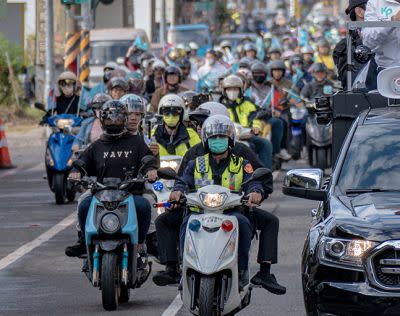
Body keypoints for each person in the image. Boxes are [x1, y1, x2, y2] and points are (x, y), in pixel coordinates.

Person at [168, 116, 265, 289]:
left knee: (242, 222)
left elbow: (253, 181)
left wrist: (255, 192)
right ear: (206, 140)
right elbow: (183, 181)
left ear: (230, 139)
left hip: (231, 212)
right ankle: (184, 268)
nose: (217, 141)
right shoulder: (195, 163)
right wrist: (177, 191)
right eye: (213, 138)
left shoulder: (242, 163)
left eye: (222, 137)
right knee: (186, 223)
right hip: (200, 211)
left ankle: (242, 271)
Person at [65, 100, 157, 258]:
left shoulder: (136, 142)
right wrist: (76, 171)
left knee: (144, 205)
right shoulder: (96, 145)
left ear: (124, 120)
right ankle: (83, 242)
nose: (113, 122)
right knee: (84, 205)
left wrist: (150, 170)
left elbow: (148, 159)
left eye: (118, 118)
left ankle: (142, 244)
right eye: (109, 119)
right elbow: (81, 162)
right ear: (102, 121)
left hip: (130, 193)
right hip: (101, 194)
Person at [221, 74, 279, 166]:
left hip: (247, 134)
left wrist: (256, 128)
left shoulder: (247, 102)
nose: (232, 92)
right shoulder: (220, 105)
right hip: (227, 138)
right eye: (229, 89)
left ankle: (264, 174)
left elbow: (256, 116)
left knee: (266, 144)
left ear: (240, 90)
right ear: (224, 91)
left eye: (235, 89)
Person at [334, 0, 377, 89]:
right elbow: (351, 83)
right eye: (374, 7)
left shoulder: (383, 36)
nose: (379, 11)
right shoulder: (346, 46)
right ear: (360, 12)